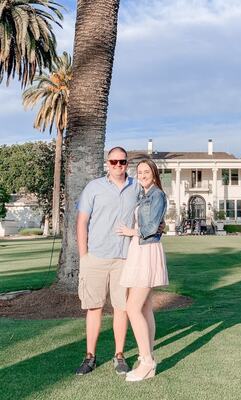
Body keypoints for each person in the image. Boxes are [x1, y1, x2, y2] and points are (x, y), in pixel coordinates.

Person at [75, 146, 140, 376]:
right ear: (107, 163)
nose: (118, 166)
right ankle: (90, 357)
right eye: (113, 162)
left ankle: (119, 355)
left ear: (127, 163)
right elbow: (82, 221)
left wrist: (136, 232)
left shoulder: (137, 187)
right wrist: (84, 256)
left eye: (122, 162)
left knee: (121, 309)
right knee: (94, 308)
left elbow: (150, 213)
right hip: (96, 258)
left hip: (124, 259)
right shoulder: (94, 187)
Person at [117, 159, 169, 382]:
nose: (143, 174)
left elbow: (149, 229)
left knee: (133, 306)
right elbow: (154, 225)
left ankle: (147, 362)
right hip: (140, 250)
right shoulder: (144, 194)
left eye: (147, 171)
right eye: (140, 172)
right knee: (145, 306)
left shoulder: (156, 194)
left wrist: (130, 231)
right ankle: (146, 358)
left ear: (154, 173)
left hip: (146, 250)